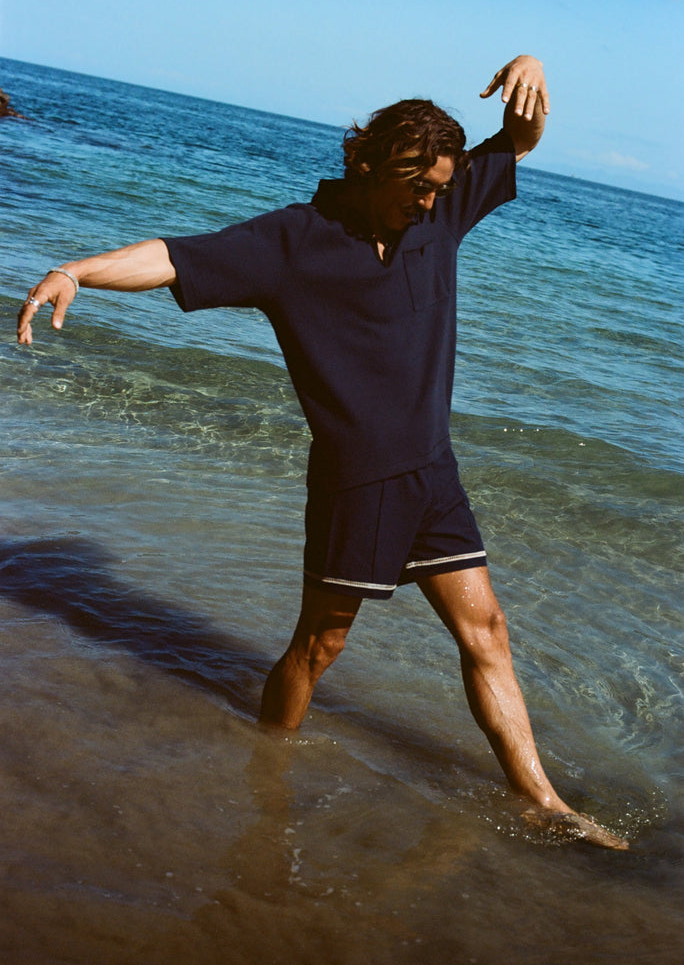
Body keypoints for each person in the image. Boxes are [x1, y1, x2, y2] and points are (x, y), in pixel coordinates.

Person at [17, 55, 628, 849]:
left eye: (441, 186)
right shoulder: (293, 242)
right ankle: (266, 760)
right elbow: (175, 256)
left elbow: (519, 137)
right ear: (367, 162)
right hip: (358, 482)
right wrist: (77, 271)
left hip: (433, 474)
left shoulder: (438, 214)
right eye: (420, 184)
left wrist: (533, 70)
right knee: (320, 644)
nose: (432, 199)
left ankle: (540, 801)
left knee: (489, 631)